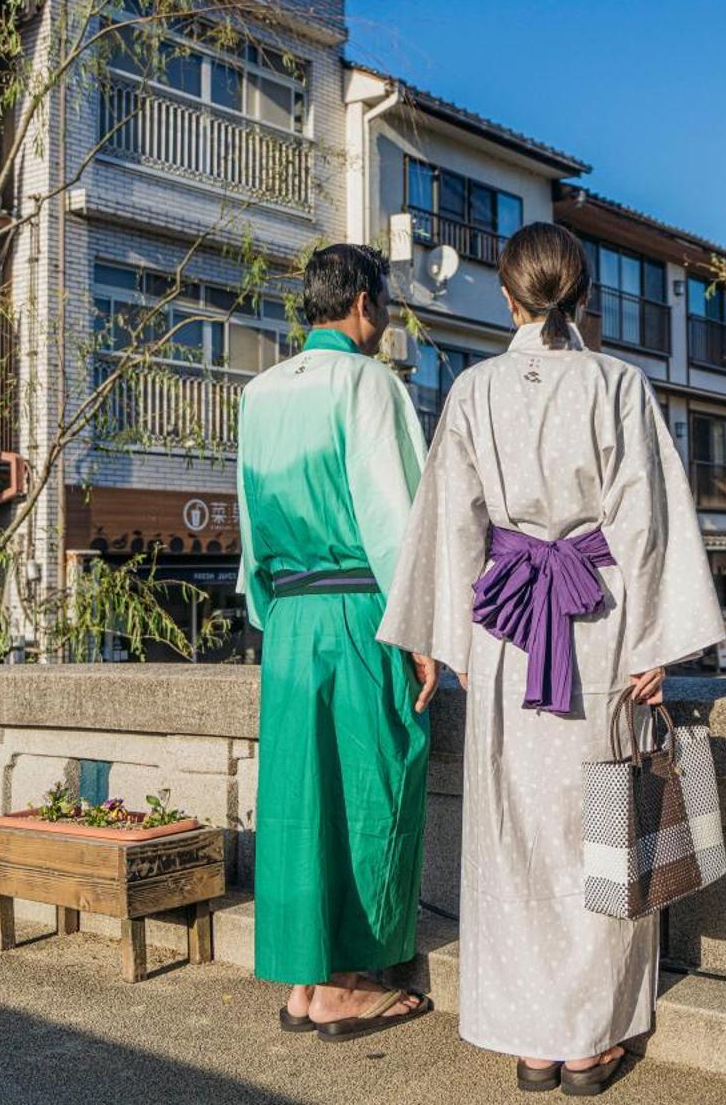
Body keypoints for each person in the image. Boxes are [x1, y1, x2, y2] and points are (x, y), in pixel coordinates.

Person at [378, 223, 724, 1096]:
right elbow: (645, 519)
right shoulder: (617, 384)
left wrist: (444, 635)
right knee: (601, 827)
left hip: (508, 632)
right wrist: (659, 639)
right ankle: (587, 1040)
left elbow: (452, 520)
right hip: (599, 622)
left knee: (514, 836)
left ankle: (530, 1039)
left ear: (507, 295)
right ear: (583, 295)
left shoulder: (474, 390)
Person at [236, 243, 438, 1041]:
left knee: (298, 798)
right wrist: (421, 629)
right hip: (358, 608)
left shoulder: (257, 392)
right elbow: (396, 516)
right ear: (361, 302)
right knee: (372, 783)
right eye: (382, 301)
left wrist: (271, 612)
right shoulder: (369, 383)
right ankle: (350, 979)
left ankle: (305, 980)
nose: (384, 318)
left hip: (288, 617)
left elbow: (249, 521)